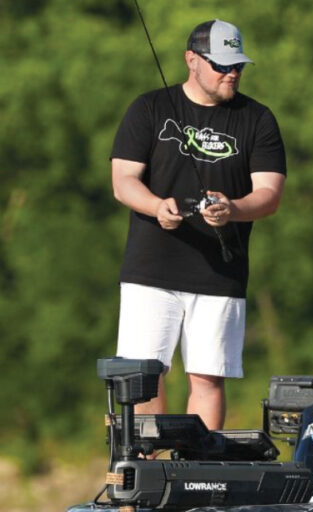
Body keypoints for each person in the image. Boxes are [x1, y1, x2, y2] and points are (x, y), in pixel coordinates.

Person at [110, 19, 286, 431]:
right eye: (222, 65)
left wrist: (233, 208)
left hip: (220, 272)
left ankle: (195, 479)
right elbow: (123, 181)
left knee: (207, 377)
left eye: (238, 66)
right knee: (143, 379)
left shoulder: (257, 119)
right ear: (192, 60)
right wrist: (157, 206)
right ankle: (149, 475)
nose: (232, 74)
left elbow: (270, 194)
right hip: (151, 270)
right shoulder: (149, 107)